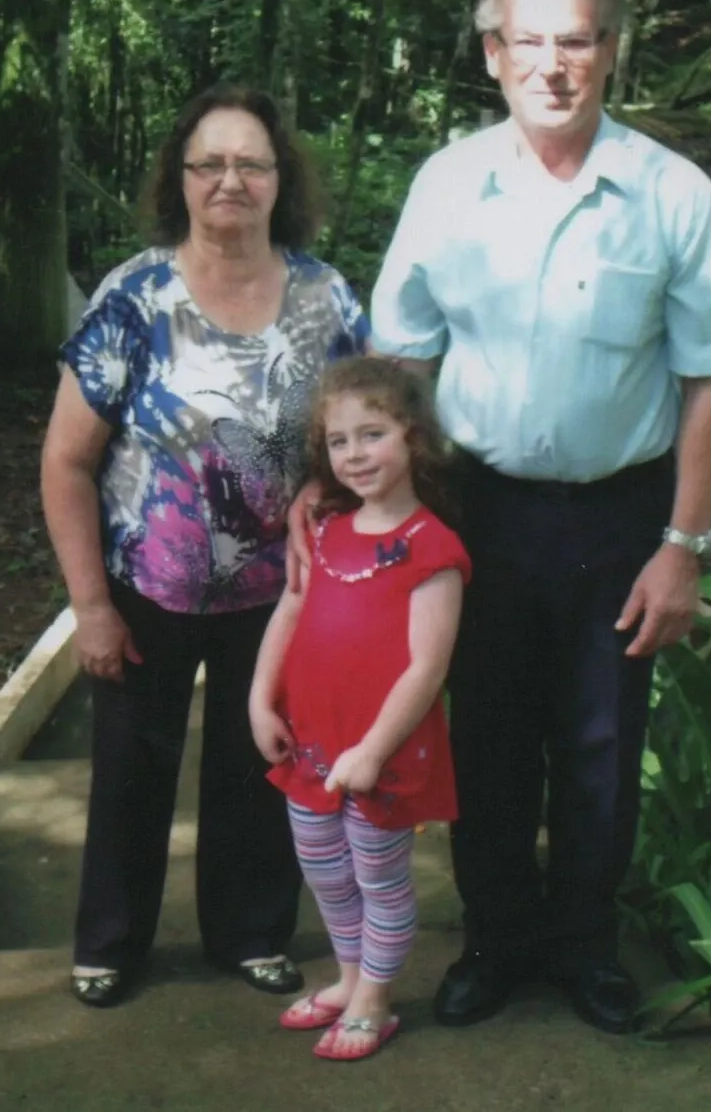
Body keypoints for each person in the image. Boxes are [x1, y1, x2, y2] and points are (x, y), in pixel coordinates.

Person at [365, 0, 711, 1034]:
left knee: (599, 743)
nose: (552, 65)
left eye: (575, 40)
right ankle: (495, 942)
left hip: (620, 517)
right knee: (482, 734)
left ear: (611, 52)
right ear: (492, 56)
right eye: (527, 41)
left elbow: (710, 384)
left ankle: (583, 946)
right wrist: (389, 516)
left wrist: (683, 545)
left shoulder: (675, 196)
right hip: (475, 508)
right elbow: (400, 361)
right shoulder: (446, 184)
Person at [41, 82, 370, 1010]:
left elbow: (371, 430)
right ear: (180, 180)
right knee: (130, 770)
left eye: (251, 163)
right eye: (210, 164)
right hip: (147, 585)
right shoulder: (135, 296)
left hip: (281, 591)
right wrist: (91, 606)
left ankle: (251, 933)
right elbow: (66, 462)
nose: (231, 180)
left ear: (280, 179)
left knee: (259, 760)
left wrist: (333, 488)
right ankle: (109, 943)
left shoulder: (327, 296)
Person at [250, 357, 469, 1061]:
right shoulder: (324, 528)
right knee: (325, 870)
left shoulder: (431, 546)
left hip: (379, 749)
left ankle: (376, 996)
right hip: (311, 739)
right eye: (338, 441)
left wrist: (373, 749)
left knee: (377, 874)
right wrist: (259, 699)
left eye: (371, 434)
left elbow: (427, 664)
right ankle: (348, 978)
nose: (354, 454)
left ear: (412, 437)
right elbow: (289, 610)